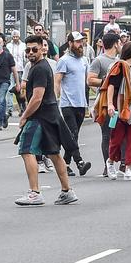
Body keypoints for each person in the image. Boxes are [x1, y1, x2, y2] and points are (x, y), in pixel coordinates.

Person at [14, 34, 78, 206]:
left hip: (40, 117)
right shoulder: (38, 66)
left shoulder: (40, 68)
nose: (31, 53)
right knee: (53, 153)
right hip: (50, 115)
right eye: (27, 50)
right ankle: (67, 191)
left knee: (26, 150)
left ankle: (35, 193)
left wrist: (24, 116)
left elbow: (37, 98)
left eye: (35, 49)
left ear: (43, 48)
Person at [98, 41, 131, 181]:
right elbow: (111, 86)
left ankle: (128, 168)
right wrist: (110, 104)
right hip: (118, 107)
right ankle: (110, 162)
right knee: (117, 138)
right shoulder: (120, 66)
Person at [54, 32, 93, 177]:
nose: (80, 45)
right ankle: (80, 162)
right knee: (72, 133)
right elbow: (57, 81)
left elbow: (88, 80)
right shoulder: (64, 60)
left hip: (81, 103)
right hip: (67, 103)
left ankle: (65, 164)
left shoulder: (84, 60)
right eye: (77, 42)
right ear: (70, 43)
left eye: (81, 42)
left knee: (73, 136)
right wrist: (55, 99)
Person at [88, 32, 121, 177]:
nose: (120, 45)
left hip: (120, 103)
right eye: (119, 43)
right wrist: (107, 82)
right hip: (104, 104)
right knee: (107, 135)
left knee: (122, 134)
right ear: (115, 44)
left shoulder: (120, 61)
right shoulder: (99, 61)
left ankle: (124, 164)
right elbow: (90, 80)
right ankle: (107, 165)